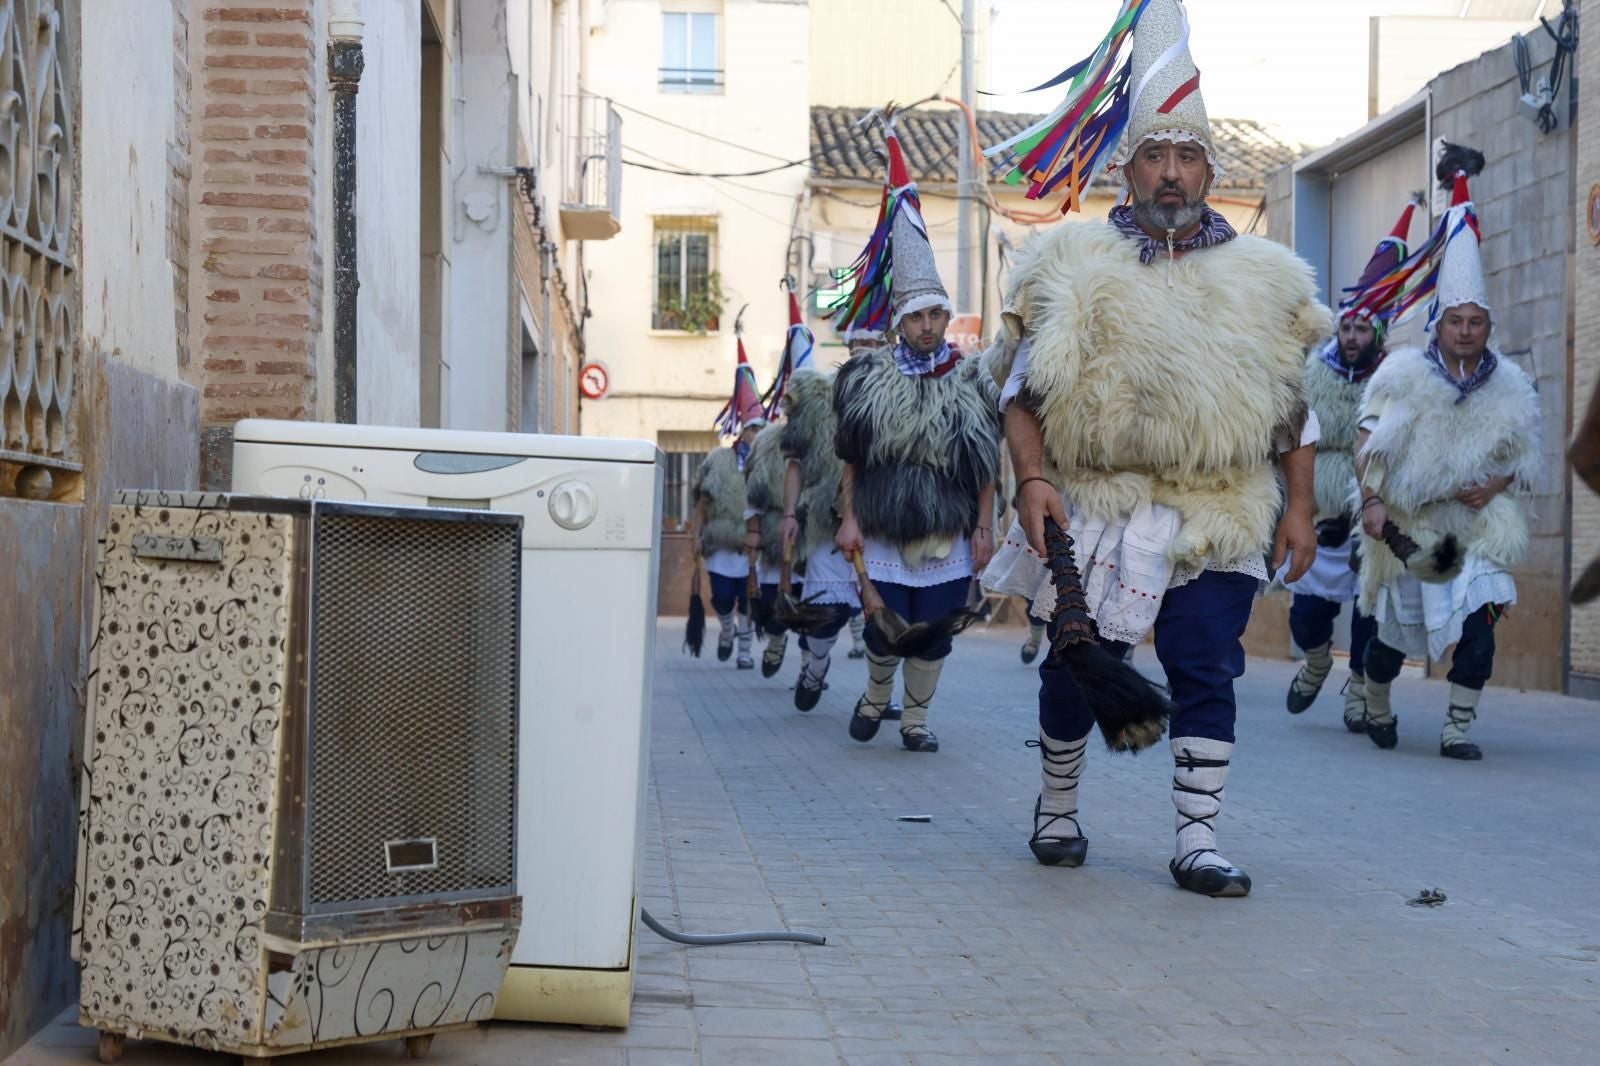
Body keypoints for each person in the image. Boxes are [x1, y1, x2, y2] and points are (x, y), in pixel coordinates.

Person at [981, 0, 1328, 896]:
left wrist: (1298, 504)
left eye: (1187, 157)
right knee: (1076, 664)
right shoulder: (1068, 264)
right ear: (1126, 166)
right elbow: (1019, 393)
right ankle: (1058, 809)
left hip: (1219, 510)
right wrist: (1033, 480)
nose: (1171, 174)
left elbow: (1294, 410)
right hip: (1095, 502)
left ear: (1209, 169)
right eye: (1154, 156)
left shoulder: (1266, 278)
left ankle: (1197, 840)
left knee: (1208, 663)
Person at [1353, 154, 1541, 760]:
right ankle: (1376, 704)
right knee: (1391, 639)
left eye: (1476, 322)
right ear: (1438, 324)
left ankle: (1457, 729)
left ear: (1488, 327)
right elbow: (1367, 443)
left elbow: (1522, 453)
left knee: (1481, 628)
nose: (1465, 330)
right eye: (1455, 320)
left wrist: (1494, 487)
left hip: (1474, 528)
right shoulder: (1401, 374)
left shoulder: (1509, 383)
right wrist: (1374, 501)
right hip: (1410, 524)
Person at [829, 110, 1001, 754]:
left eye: (936, 313)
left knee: (934, 630)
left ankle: (916, 720)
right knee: (884, 625)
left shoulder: (972, 379)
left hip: (947, 529)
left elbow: (984, 467)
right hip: (882, 525)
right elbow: (851, 459)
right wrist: (848, 519)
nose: (928, 325)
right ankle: (877, 693)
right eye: (916, 315)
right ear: (899, 320)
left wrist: (984, 527)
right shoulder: (865, 380)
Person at [1285, 198, 1420, 731]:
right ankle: (1317, 661)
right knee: (1308, 614)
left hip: (1374, 512)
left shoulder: (1394, 381)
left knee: (1370, 611)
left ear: (1379, 335)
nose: (1352, 336)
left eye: (1364, 330)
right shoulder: (1311, 375)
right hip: (1319, 511)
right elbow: (1290, 435)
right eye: (1348, 327)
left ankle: (1359, 691)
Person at [691, 322, 766, 669]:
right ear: (741, 429)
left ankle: (747, 651)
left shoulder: (770, 462)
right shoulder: (718, 461)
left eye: (762, 429)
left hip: (754, 545)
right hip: (722, 544)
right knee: (723, 599)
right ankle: (725, 631)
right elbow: (702, 503)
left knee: (750, 599)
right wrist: (695, 536)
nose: (757, 435)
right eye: (752, 428)